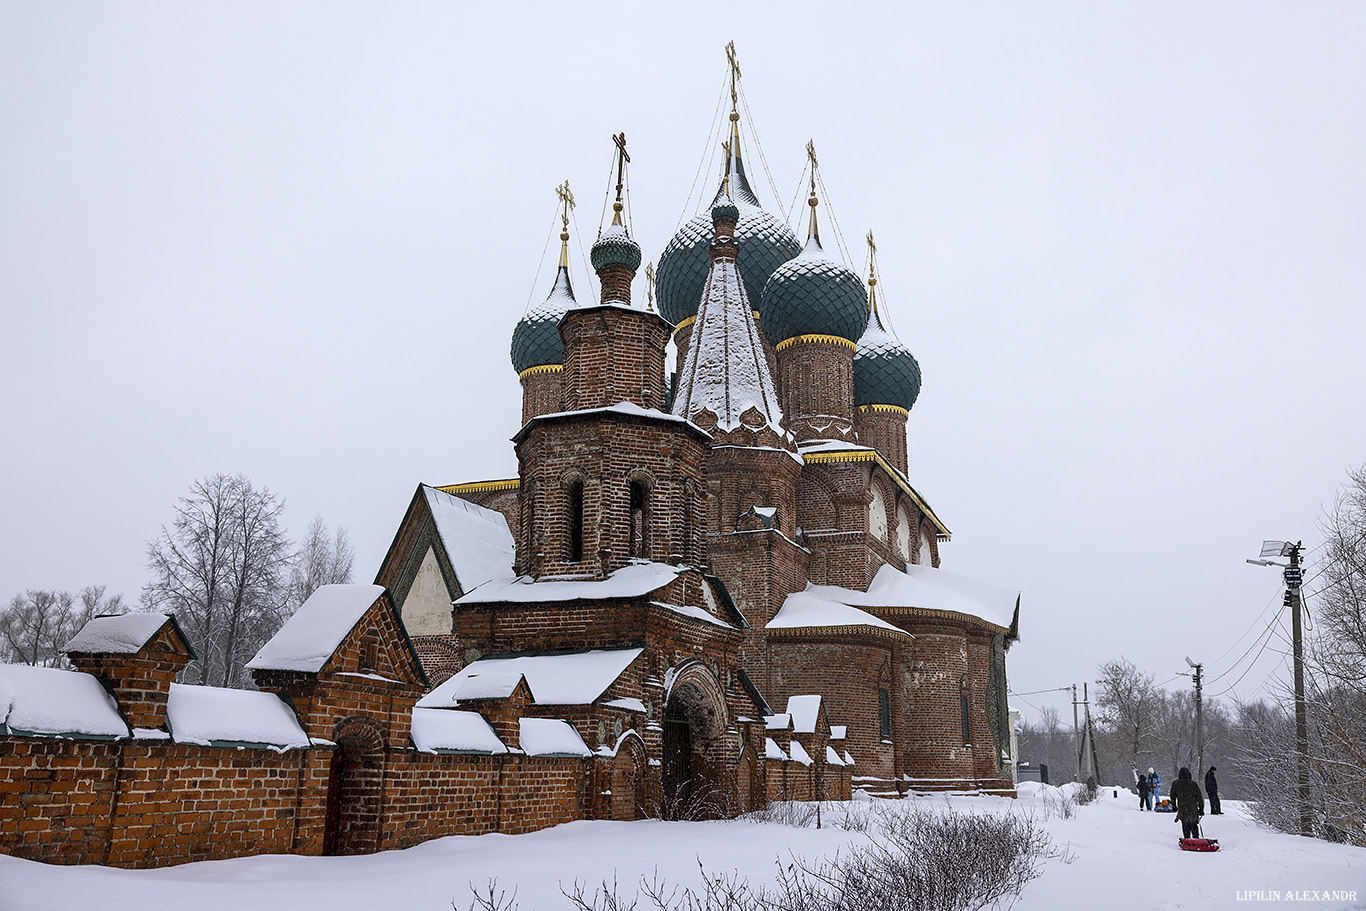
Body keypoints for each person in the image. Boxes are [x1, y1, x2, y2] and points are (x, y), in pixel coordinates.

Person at [1170, 766, 1205, 839]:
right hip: (1193, 808)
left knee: (1185, 823)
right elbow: (1199, 797)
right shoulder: (1193, 784)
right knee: (1193, 824)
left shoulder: (1176, 783)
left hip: (1182, 808)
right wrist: (1201, 809)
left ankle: (1187, 840)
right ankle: (1196, 839)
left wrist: (1174, 806)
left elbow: (1172, 796)